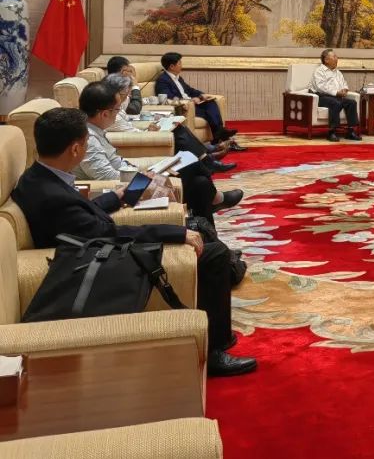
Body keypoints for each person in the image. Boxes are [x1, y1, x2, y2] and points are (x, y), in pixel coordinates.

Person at [12, 107, 257, 377]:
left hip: (94, 244)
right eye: (86, 143)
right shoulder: (52, 194)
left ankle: (230, 273)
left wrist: (119, 196)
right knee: (213, 253)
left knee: (198, 227)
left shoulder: (38, 177)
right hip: (98, 259)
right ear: (75, 149)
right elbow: (104, 233)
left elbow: (81, 216)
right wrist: (175, 233)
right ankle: (214, 351)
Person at [76, 81, 242, 221]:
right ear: (104, 114)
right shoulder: (87, 140)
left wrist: (143, 171)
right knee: (190, 163)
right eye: (117, 110)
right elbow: (107, 178)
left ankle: (209, 236)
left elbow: (117, 164)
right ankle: (216, 198)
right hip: (123, 192)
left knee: (200, 183)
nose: (118, 114)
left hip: (130, 182)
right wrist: (144, 176)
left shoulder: (95, 130)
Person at [103, 73, 235, 173]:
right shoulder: (111, 113)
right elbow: (131, 129)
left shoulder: (115, 106)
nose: (128, 96)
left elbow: (128, 121)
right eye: (126, 93)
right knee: (178, 132)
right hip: (137, 139)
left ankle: (206, 158)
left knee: (179, 127)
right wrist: (148, 131)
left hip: (136, 133)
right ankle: (206, 159)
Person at [154, 52, 243, 151]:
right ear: (171, 66)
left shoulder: (178, 78)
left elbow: (190, 90)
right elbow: (168, 98)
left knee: (211, 102)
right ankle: (221, 137)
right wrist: (189, 100)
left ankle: (220, 135)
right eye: (179, 63)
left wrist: (201, 95)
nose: (181, 65)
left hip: (192, 104)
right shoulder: (163, 80)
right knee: (209, 113)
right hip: (184, 108)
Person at [309, 48, 361, 142]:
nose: (337, 58)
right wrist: (337, 92)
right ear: (326, 60)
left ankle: (350, 131)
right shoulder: (319, 71)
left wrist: (345, 89)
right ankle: (332, 132)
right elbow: (321, 87)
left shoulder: (338, 72)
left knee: (351, 102)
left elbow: (344, 83)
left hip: (336, 97)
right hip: (321, 97)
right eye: (334, 56)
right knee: (335, 103)